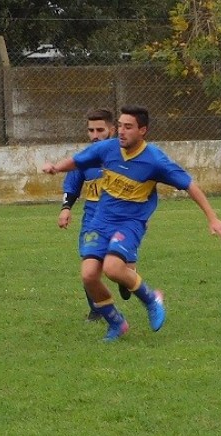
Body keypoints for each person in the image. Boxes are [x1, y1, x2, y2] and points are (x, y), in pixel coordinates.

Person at [43, 105, 221, 341]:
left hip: (130, 222)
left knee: (112, 268)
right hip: (101, 219)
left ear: (143, 130)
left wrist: (212, 218)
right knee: (89, 275)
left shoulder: (155, 160)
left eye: (128, 127)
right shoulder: (107, 149)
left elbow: (189, 184)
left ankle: (152, 300)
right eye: (119, 126)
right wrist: (56, 168)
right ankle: (116, 323)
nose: (121, 131)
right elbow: (79, 161)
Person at [57, 108, 138, 323]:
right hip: (92, 220)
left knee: (123, 268)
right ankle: (97, 310)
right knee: (89, 264)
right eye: (90, 130)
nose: (94, 135)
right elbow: (72, 185)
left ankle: (125, 278)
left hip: (122, 221)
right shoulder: (85, 158)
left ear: (112, 130)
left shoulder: (127, 156)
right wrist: (66, 208)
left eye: (100, 130)